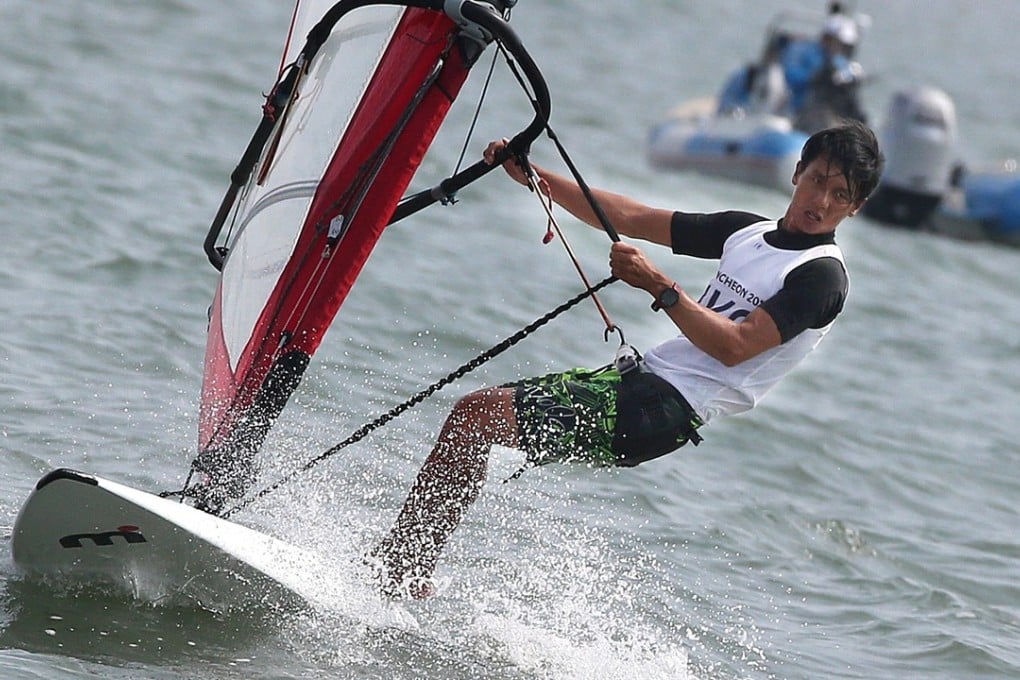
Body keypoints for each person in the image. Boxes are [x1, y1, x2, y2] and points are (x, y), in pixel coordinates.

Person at [371, 120, 883, 599]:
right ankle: (403, 572)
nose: (820, 201)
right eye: (816, 180)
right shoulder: (745, 233)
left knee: (476, 417)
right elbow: (630, 216)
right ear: (797, 172)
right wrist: (534, 177)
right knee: (473, 420)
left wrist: (660, 286)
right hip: (638, 382)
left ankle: (399, 575)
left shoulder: (821, 277)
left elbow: (734, 346)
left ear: (854, 207)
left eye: (840, 195)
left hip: (664, 410)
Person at [781, 7, 867, 131]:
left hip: (831, 113)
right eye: (838, 42)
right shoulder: (803, 51)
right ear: (827, 37)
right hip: (799, 109)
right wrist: (813, 78)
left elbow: (846, 81)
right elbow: (790, 75)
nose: (840, 47)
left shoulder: (840, 61)